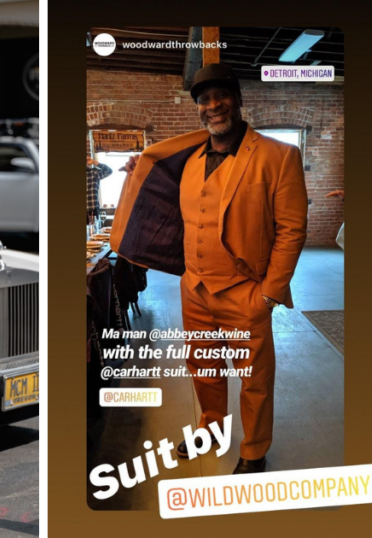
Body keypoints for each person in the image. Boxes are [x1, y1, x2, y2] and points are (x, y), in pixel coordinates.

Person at [116, 63, 307, 474]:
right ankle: (211, 427)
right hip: (195, 289)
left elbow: (292, 230)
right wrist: (138, 174)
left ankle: (254, 449)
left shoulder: (279, 156)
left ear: (238, 99)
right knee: (203, 368)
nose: (213, 106)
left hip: (246, 291)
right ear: (198, 109)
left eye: (221, 96)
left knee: (254, 381)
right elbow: (160, 197)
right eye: (204, 100)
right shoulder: (186, 158)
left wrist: (269, 293)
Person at [86, 156, 112, 221]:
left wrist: (95, 162)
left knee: (94, 230)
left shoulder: (93, 173)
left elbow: (108, 171)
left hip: (92, 211)